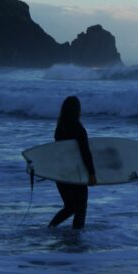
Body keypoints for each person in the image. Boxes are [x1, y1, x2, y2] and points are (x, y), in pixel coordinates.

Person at [48, 96, 97, 229]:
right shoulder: (78, 129)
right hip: (75, 174)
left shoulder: (59, 129)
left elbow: (60, 152)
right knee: (81, 207)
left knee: (70, 207)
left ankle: (51, 227)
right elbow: (85, 153)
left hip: (60, 174)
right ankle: (76, 237)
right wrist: (92, 174)